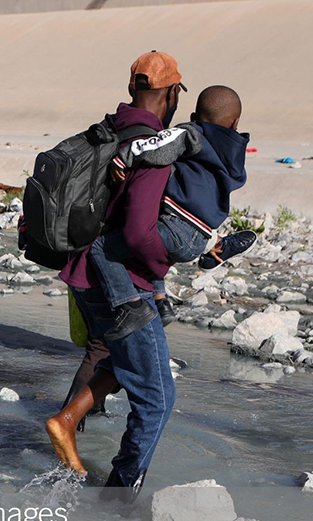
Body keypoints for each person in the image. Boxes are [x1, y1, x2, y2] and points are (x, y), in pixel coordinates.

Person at [45, 51, 185, 502]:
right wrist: (161, 265)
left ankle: (67, 424)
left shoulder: (107, 130)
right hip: (122, 284)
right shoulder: (155, 147)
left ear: (131, 89)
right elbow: (140, 230)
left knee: (115, 358)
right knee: (157, 399)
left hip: (82, 271)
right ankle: (116, 504)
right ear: (172, 93)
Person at [91, 84, 256, 341]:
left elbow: (159, 145)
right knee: (148, 237)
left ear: (194, 117)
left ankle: (129, 306)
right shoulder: (235, 150)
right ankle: (164, 298)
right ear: (235, 122)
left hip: (176, 227)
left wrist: (124, 157)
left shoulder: (192, 133)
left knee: (103, 247)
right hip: (199, 235)